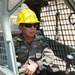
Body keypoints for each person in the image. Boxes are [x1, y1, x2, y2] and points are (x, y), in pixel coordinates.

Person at [13, 8, 55, 75]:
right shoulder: (14, 43)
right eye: (28, 25)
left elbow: (50, 57)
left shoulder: (41, 40)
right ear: (20, 27)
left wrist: (36, 64)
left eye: (35, 25)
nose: (32, 28)